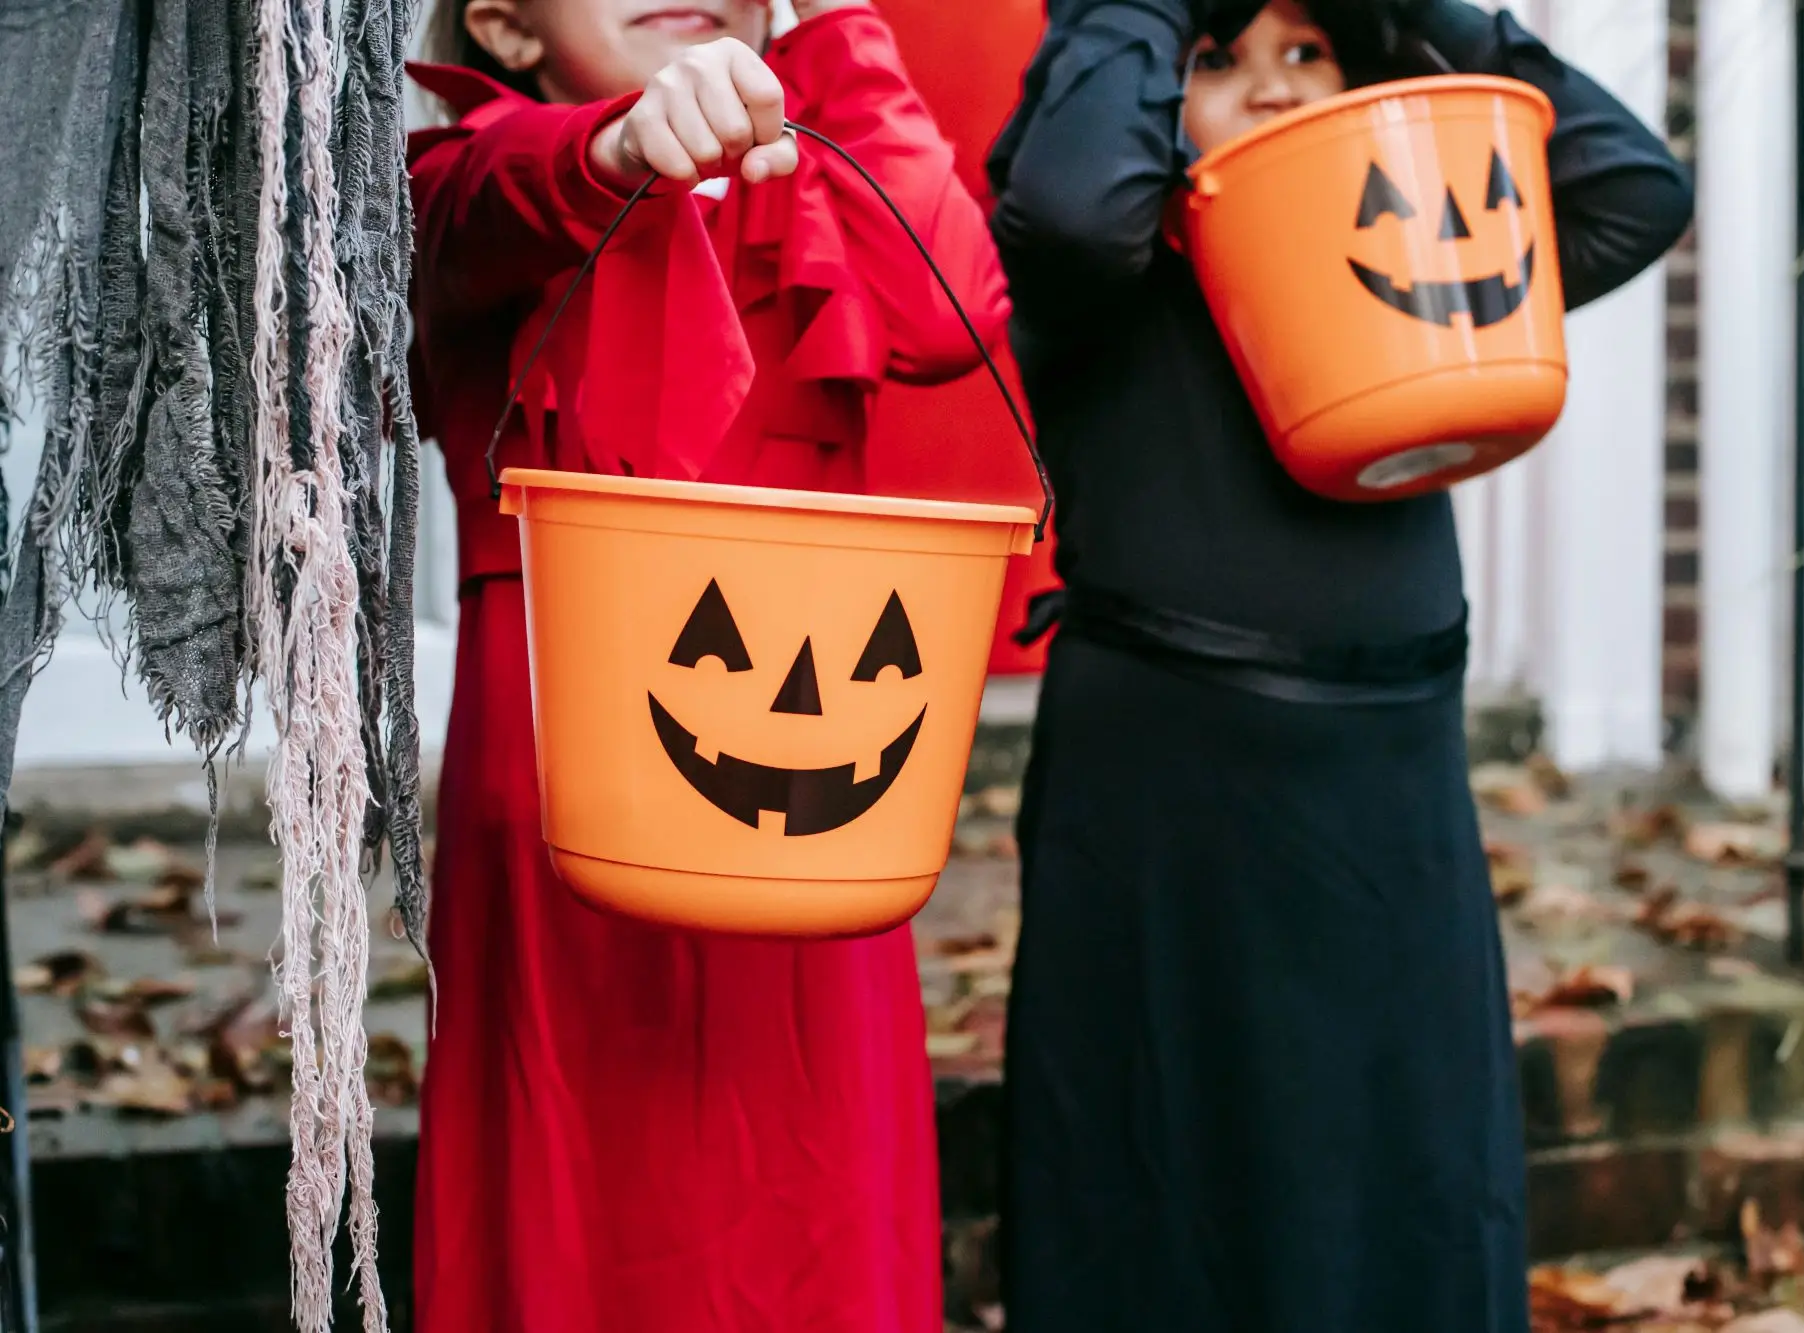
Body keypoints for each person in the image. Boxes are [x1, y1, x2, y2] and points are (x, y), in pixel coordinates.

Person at [986, 2, 1693, 1330]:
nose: (1269, 92)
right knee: (1164, 1194)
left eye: (1307, 53)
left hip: (1389, 789)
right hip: (1167, 798)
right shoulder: (1104, 270)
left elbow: (1632, 194)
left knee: (1401, 1190)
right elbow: (1081, 204)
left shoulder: (1414, 268)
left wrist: (1418, 9)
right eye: (1217, 62)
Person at [405, 2, 1008, 1329]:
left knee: (819, 1216)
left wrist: (839, 25)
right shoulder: (464, 183)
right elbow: (473, 216)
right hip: (563, 830)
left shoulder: (819, 182)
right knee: (574, 1226)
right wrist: (617, 151)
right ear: (502, 23)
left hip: (814, 811)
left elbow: (953, 306)